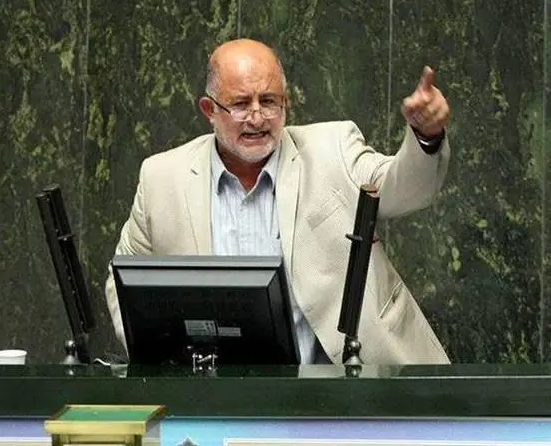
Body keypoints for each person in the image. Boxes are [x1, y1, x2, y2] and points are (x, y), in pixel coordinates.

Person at [105, 38, 451, 364]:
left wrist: (426, 135)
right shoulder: (162, 177)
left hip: (349, 382)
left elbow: (402, 188)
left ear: (286, 102)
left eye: (269, 101)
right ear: (209, 109)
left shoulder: (332, 148)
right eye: (241, 104)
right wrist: (161, 356)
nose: (257, 118)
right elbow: (123, 281)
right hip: (217, 391)